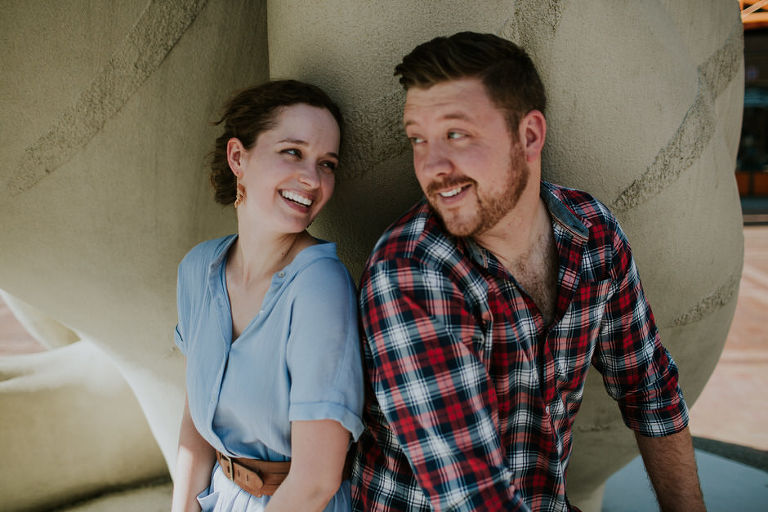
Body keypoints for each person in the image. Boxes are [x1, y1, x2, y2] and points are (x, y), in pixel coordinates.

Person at [351, 32, 705, 512]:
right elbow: (475, 501)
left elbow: (652, 390)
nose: (431, 166)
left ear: (530, 135)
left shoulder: (592, 234)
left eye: (456, 134)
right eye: (418, 139)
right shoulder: (410, 274)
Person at [171, 80, 364, 512]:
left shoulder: (319, 285)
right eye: (292, 152)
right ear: (238, 157)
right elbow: (196, 420)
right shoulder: (197, 270)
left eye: (327, 163)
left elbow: (316, 481)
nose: (312, 179)